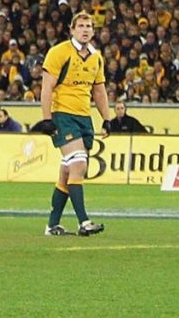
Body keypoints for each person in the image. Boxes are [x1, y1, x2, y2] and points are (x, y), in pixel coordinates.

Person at [39, 13, 113, 238]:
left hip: (83, 117)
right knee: (79, 164)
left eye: (89, 26)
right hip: (62, 115)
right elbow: (47, 87)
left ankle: (52, 226)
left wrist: (107, 118)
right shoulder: (59, 52)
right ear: (71, 30)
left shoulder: (96, 57)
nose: (85, 30)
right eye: (80, 26)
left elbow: (98, 90)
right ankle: (84, 221)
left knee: (66, 172)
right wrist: (47, 118)